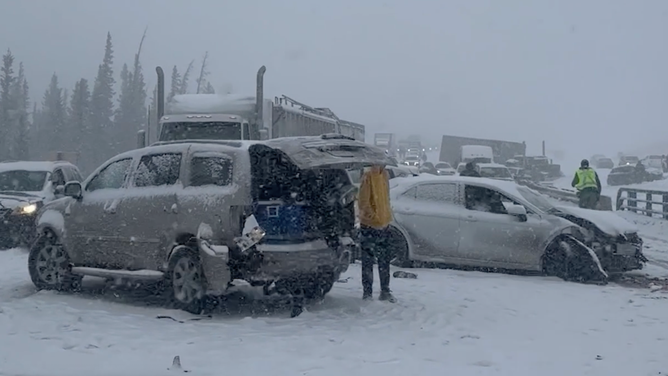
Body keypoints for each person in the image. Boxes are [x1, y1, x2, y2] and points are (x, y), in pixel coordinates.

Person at [357, 164, 396, 303]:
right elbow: (363, 202)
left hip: (384, 225)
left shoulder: (385, 175)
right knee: (368, 261)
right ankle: (367, 293)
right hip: (369, 226)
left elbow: (386, 198)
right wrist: (374, 217)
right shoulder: (367, 178)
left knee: (384, 261)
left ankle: (385, 290)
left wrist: (386, 217)